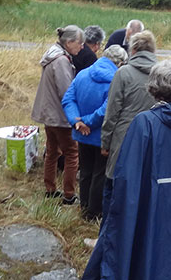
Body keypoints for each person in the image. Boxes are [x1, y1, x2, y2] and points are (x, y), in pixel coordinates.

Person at [82, 60, 171, 280]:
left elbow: (127, 178)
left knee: (149, 256)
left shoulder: (144, 123)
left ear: (153, 87)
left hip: (151, 211)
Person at [62, 45, 128, 220]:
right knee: (100, 173)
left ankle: (84, 207)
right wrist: (87, 122)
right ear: (120, 63)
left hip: (82, 134)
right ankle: (94, 213)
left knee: (85, 171)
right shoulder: (116, 80)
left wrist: (77, 121)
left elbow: (68, 99)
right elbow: (108, 109)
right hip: (102, 135)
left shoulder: (82, 74)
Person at [100, 31, 159, 220]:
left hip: (123, 136)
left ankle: (109, 230)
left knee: (113, 185)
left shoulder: (123, 72)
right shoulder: (162, 72)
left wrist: (106, 142)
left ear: (133, 50)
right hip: (153, 136)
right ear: (153, 50)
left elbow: (112, 111)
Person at [31, 25, 83, 205]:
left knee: (52, 151)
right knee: (72, 153)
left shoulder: (52, 55)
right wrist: (75, 114)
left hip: (49, 113)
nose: (82, 47)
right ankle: (69, 194)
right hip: (59, 116)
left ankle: (50, 188)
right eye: (79, 43)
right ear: (68, 42)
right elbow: (66, 91)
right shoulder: (61, 61)